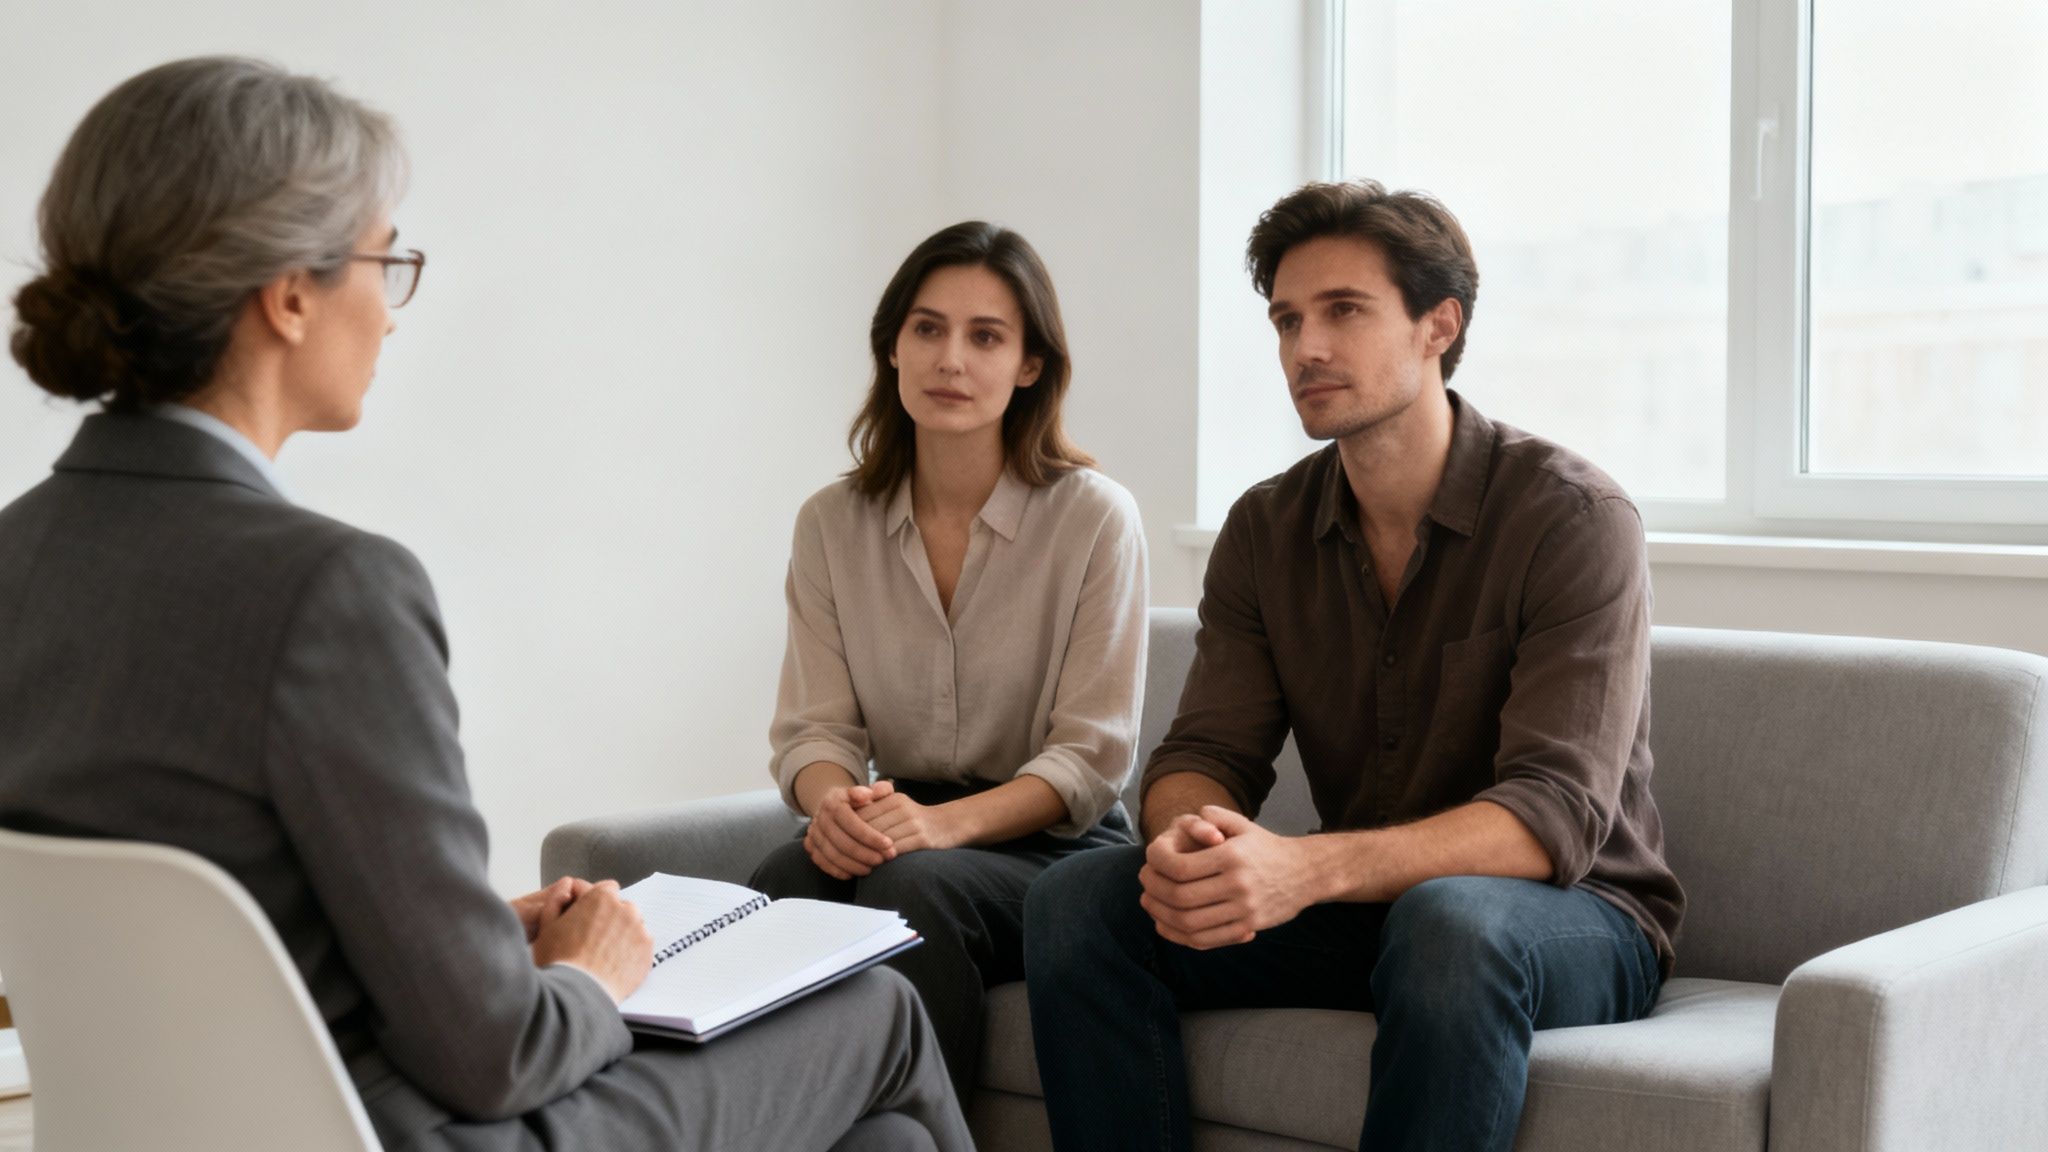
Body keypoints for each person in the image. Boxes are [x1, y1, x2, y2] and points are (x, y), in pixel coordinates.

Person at [0, 56, 969, 1152]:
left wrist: (464, 938)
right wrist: (591, 973)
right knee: (876, 1008)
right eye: (384, 260)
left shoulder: (18, 556)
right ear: (288, 295)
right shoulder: (329, 593)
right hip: (419, 1131)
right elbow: (499, 1057)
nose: (392, 310)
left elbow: (220, 911)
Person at [1022, 180, 1686, 1151]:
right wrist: (1189, 845)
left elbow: (1551, 817)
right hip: (1371, 908)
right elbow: (1207, 746)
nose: (1305, 348)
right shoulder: (1264, 527)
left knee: (1448, 924)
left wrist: (1300, 866)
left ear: (1437, 325)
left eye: (1342, 311)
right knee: (1081, 901)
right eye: (1287, 320)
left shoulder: (1570, 517)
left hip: (1572, 915)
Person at [749, 220, 1149, 1099]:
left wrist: (941, 828)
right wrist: (836, 809)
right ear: (892, 349)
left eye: (986, 337)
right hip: (901, 821)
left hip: (1056, 845)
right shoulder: (831, 522)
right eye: (927, 329)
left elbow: (1089, 763)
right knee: (784, 873)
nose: (950, 360)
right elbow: (814, 730)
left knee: (919, 882)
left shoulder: (1094, 518)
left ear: (1031, 365)